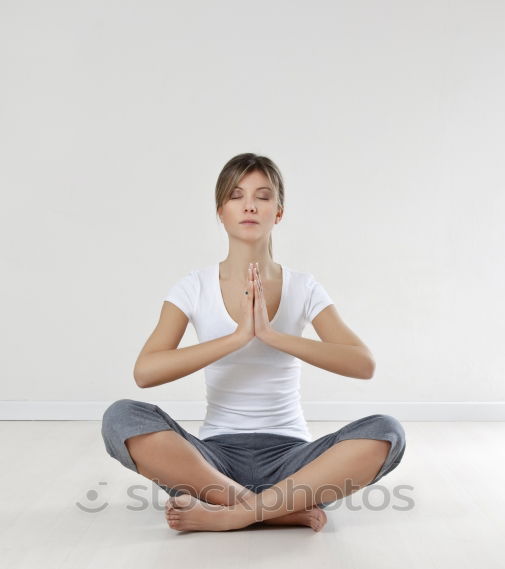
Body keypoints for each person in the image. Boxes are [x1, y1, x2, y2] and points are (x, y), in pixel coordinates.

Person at [101, 152, 406, 533]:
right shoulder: (193, 287)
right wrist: (237, 338)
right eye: (236, 195)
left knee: (387, 431)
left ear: (278, 212)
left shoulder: (303, 286)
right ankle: (276, 510)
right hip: (213, 462)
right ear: (220, 211)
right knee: (121, 417)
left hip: (293, 461)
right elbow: (145, 373)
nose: (249, 205)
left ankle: (233, 514)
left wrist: (272, 336)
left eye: (262, 196)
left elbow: (363, 364)